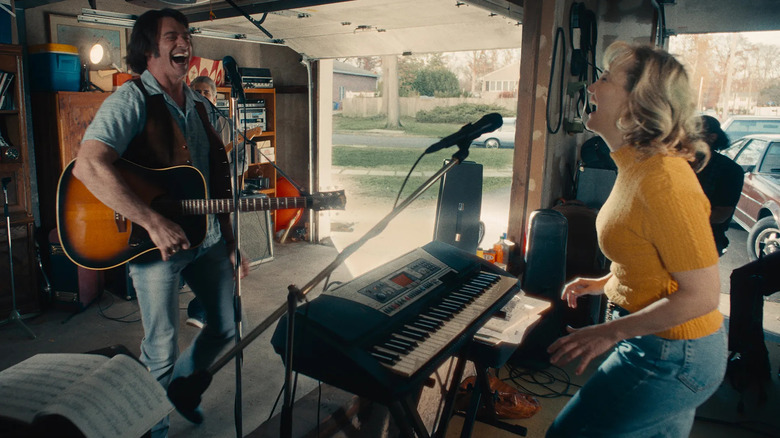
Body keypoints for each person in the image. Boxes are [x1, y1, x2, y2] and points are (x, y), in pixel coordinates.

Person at [73, 9, 249, 436]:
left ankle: (179, 392)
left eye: (186, 35)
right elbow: (88, 166)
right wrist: (151, 221)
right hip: (154, 246)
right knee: (161, 347)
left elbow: (215, 182)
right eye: (172, 36)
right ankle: (156, 430)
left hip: (206, 239)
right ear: (149, 48)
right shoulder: (131, 100)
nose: (184, 42)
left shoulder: (201, 106)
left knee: (225, 326)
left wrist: (229, 240)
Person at [545, 42, 726, 437]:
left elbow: (701, 295)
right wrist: (607, 282)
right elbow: (652, 256)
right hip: (657, 343)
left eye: (606, 79)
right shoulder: (637, 167)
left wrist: (609, 331)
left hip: (673, 354)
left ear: (638, 103)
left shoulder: (664, 180)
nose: (592, 87)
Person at [185, 75, 250, 329]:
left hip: (220, 197)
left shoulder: (226, 124)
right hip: (191, 197)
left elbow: (243, 160)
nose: (201, 96)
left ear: (215, 96)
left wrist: (223, 171)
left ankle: (204, 310)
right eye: (196, 91)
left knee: (225, 249)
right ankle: (205, 306)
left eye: (206, 92)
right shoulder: (184, 122)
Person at [695, 115, 744, 256]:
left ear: (712, 137)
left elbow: (721, 214)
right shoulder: (677, 163)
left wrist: (680, 221)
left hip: (707, 239)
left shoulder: (729, 170)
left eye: (694, 133)